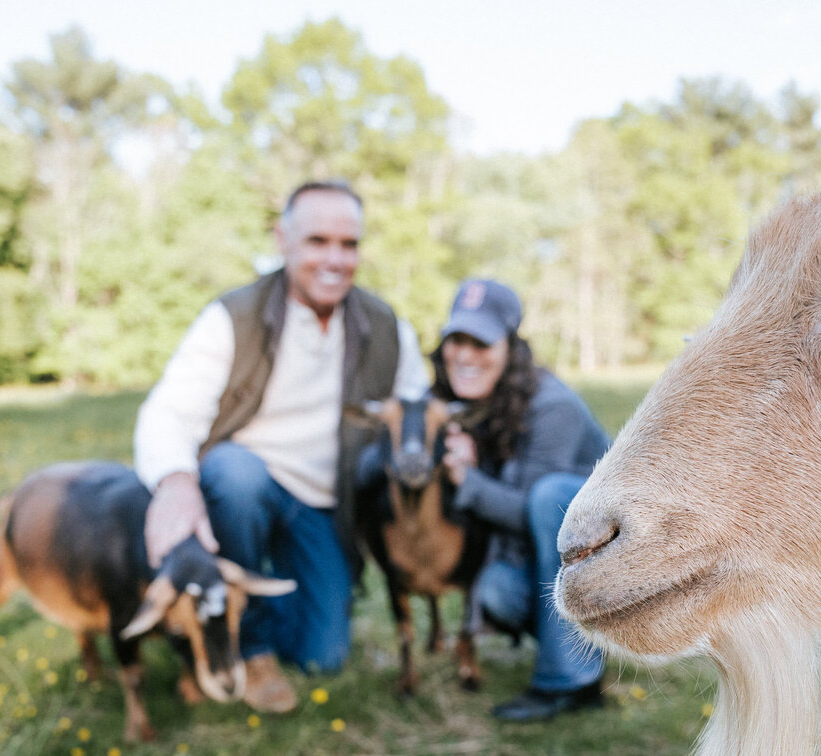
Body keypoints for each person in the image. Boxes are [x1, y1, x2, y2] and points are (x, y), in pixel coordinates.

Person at [133, 180, 428, 713]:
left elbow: (417, 406)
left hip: (325, 502)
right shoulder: (233, 317)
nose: (335, 259)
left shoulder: (386, 328)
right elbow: (168, 412)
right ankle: (251, 646)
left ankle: (236, 618)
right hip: (246, 484)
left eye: (349, 244)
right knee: (234, 475)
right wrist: (176, 483)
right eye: (318, 241)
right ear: (283, 239)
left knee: (324, 657)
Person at [434, 279, 610, 722]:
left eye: (482, 342)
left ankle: (569, 679)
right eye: (457, 340)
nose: (465, 354)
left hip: (608, 561)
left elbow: (530, 514)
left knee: (549, 495)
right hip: (545, 557)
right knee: (497, 592)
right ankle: (578, 646)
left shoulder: (554, 408)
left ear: (510, 348)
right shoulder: (469, 404)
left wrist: (468, 480)